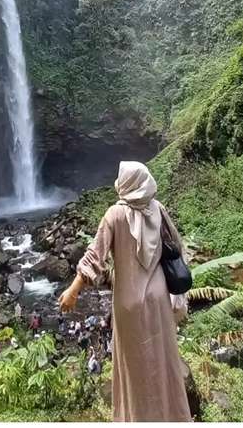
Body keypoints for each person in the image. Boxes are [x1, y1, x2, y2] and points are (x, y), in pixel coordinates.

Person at [58, 161, 192, 422]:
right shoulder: (158, 209)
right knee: (163, 360)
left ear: (127, 184)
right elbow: (176, 247)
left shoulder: (115, 215)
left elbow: (94, 256)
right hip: (159, 299)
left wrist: (74, 290)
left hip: (129, 303)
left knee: (135, 367)